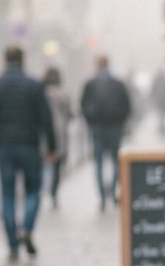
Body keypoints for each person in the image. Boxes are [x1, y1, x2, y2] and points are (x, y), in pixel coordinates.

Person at [0, 45, 56, 260]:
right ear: (23, 60)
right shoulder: (34, 85)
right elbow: (46, 118)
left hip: (4, 147)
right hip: (29, 146)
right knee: (33, 190)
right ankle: (27, 228)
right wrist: (51, 147)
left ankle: (13, 245)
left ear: (5, 60)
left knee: (8, 194)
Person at [80, 56, 130, 210]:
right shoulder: (117, 84)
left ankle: (102, 196)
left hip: (97, 128)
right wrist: (120, 122)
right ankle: (112, 191)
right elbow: (127, 105)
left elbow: (83, 105)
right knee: (116, 162)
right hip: (114, 127)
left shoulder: (90, 84)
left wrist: (91, 122)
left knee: (99, 163)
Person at [42, 67, 72, 208]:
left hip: (42, 133)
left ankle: (42, 187)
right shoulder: (63, 93)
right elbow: (70, 113)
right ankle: (53, 192)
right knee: (57, 165)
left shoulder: (41, 92)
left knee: (42, 163)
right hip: (60, 132)